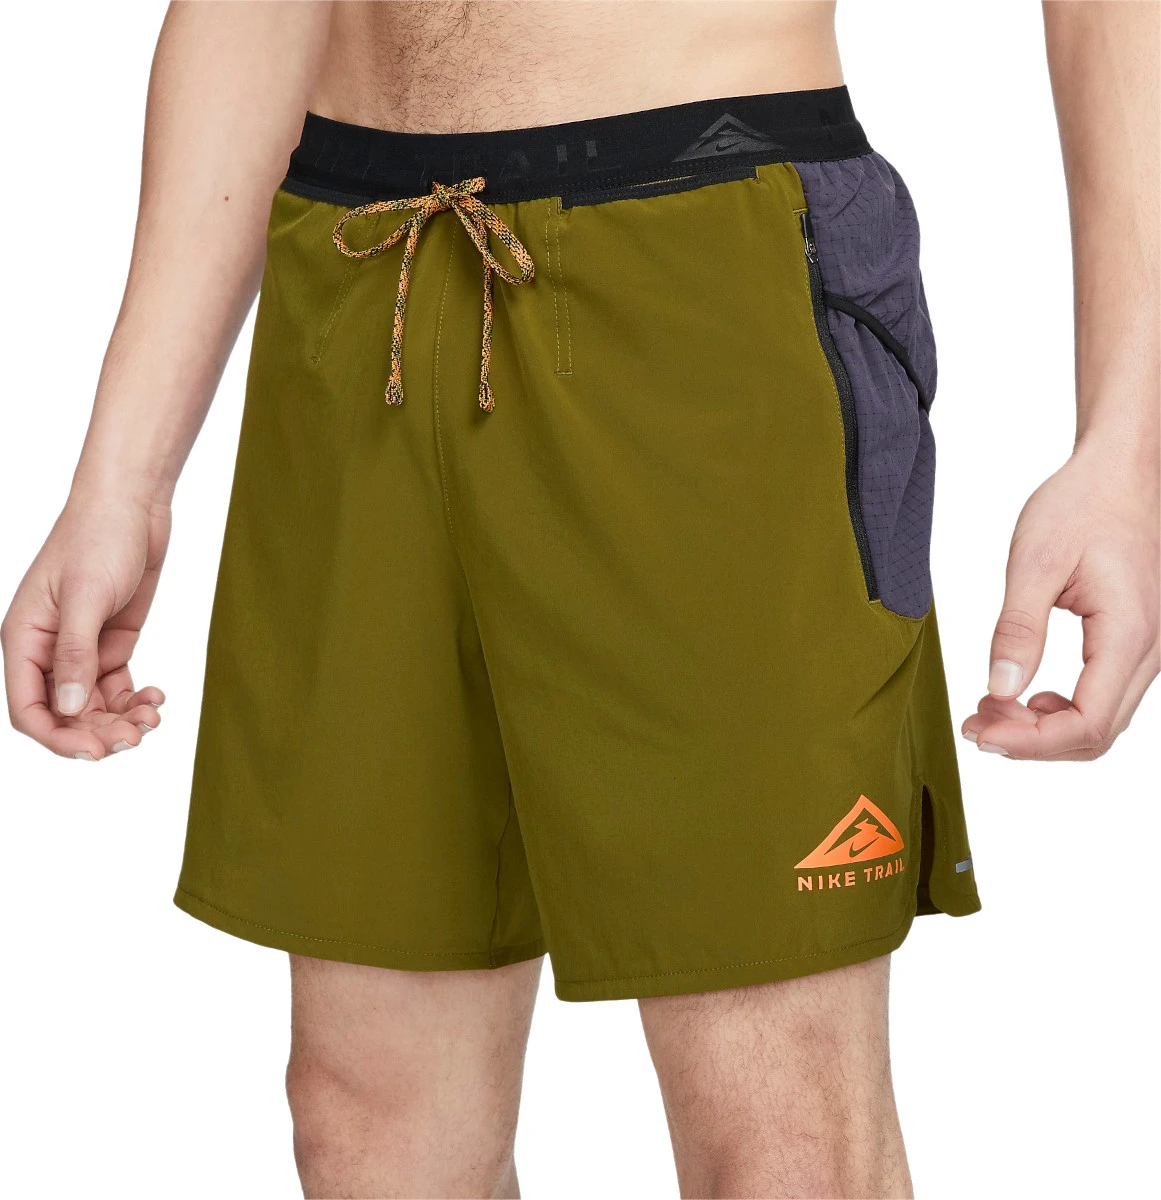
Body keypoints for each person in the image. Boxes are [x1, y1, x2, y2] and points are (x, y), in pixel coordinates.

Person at [3, 2, 1157, 1196]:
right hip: (356, 269)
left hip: (699, 259)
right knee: (366, 1127)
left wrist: (1130, 446)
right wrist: (122, 478)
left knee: (783, 1139)